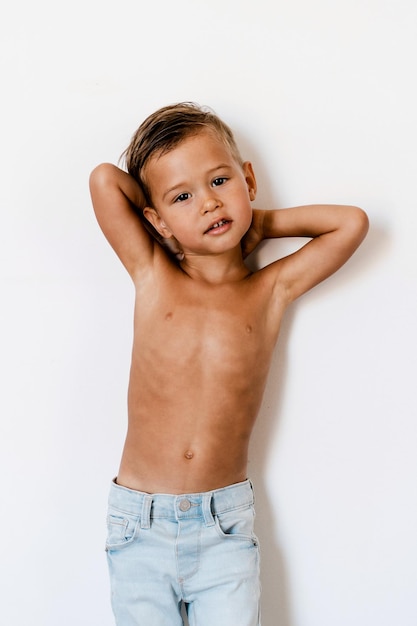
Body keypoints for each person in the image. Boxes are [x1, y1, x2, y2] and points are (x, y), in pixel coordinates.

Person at [89, 102, 369, 626]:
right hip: (139, 526)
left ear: (248, 180)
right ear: (155, 219)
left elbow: (350, 224)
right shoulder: (153, 275)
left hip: (224, 530)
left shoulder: (269, 290)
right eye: (183, 196)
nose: (209, 203)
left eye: (220, 181)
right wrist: (166, 223)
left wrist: (261, 222)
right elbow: (105, 180)